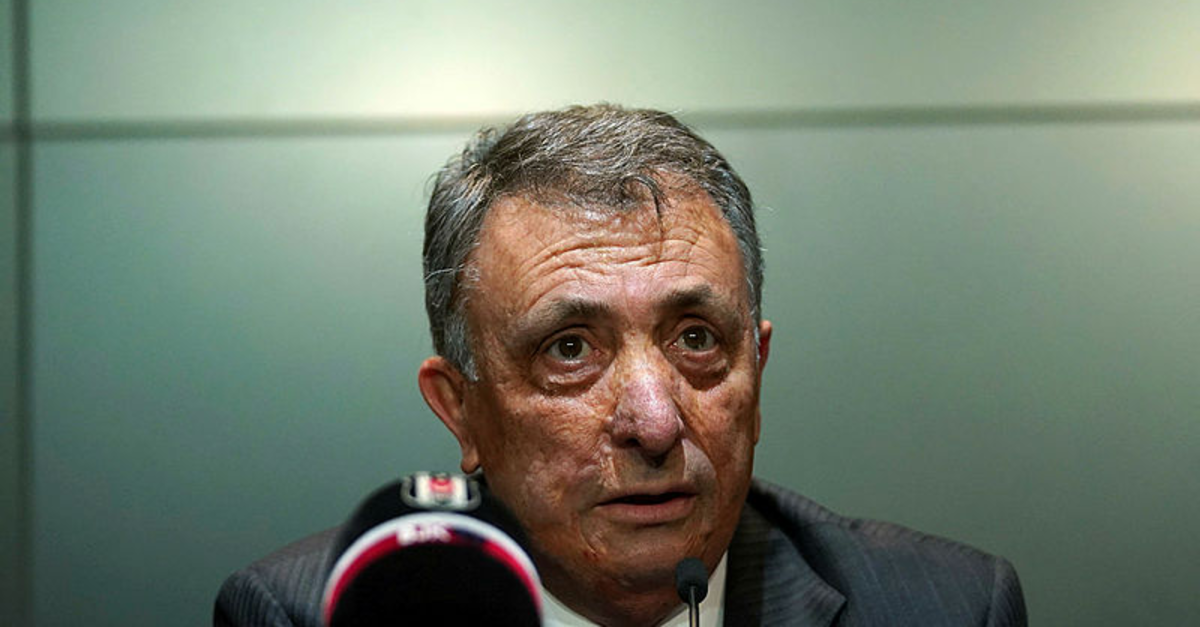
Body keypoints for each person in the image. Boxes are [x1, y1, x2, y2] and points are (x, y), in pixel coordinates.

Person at [215, 104, 1027, 626]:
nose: (656, 422)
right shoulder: (304, 612)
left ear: (757, 368)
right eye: (570, 348)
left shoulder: (948, 606)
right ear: (460, 409)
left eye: (696, 339)